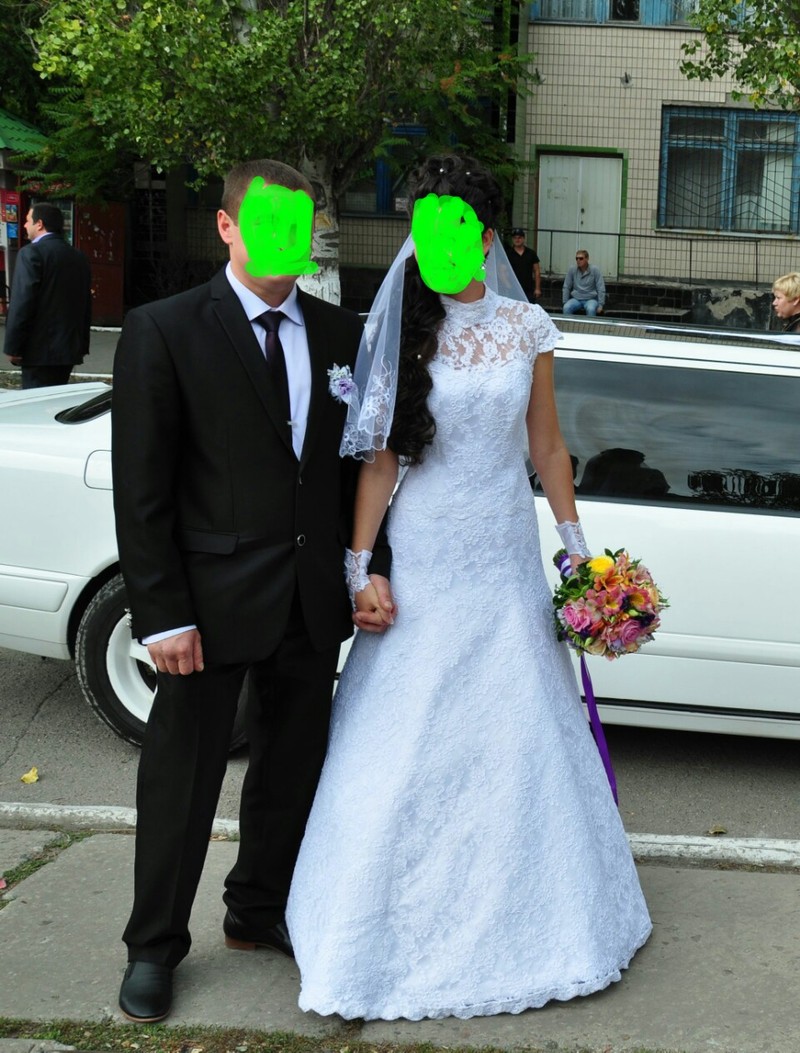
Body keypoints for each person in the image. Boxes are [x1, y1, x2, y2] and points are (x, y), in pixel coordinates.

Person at [286, 154, 651, 1021]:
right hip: (426, 547)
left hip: (505, 549)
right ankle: (368, 923)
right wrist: (360, 566)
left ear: (485, 237)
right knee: (407, 729)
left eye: (451, 227)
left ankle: (540, 914)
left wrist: (577, 552)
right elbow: (381, 461)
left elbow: (547, 445)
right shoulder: (403, 326)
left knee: (521, 725)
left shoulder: (528, 326)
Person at [111, 158, 394, 1025]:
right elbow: (143, 489)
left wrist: (366, 565)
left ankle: (257, 907)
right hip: (207, 605)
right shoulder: (164, 329)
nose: (287, 240)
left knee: (290, 770)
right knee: (182, 781)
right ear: (227, 227)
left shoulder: (341, 332)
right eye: (269, 223)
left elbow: (357, 466)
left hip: (309, 599)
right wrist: (163, 613)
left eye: (300, 226)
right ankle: (154, 944)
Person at [3, 203, 92, 387]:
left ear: (39, 224)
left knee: (36, 402)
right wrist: (82, 344)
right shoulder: (78, 256)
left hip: (37, 351)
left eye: (28, 220)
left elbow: (22, 302)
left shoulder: (31, 253)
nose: (24, 225)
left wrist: (13, 347)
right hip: (68, 349)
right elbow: (85, 303)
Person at [562, 248, 606, 316]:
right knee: (566, 307)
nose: (578, 260)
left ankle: (590, 323)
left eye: (581, 258)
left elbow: (600, 287)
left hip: (591, 299)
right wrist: (565, 302)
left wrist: (600, 305)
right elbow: (566, 286)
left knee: (591, 309)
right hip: (576, 299)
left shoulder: (595, 270)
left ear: (587, 259)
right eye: (576, 258)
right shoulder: (572, 269)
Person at [507, 226, 542, 301]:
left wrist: (537, 288)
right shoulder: (508, 254)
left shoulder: (531, 253)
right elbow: (502, 271)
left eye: (519, 238)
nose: (517, 240)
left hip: (528, 289)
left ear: (523, 239)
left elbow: (537, 271)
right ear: (512, 239)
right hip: (513, 289)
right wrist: (508, 285)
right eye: (515, 238)